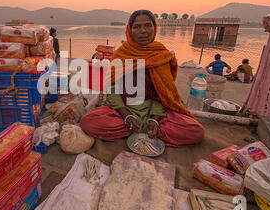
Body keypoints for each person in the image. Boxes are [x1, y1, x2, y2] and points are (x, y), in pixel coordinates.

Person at [80, 10, 204, 147]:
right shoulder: (121, 55)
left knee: (195, 131)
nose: (143, 31)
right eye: (137, 27)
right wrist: (126, 115)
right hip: (124, 109)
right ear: (130, 30)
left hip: (155, 111)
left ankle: (147, 128)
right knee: (88, 122)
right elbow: (112, 90)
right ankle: (144, 130)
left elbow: (163, 94)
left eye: (148, 25)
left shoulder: (162, 55)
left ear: (154, 28)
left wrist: (155, 119)